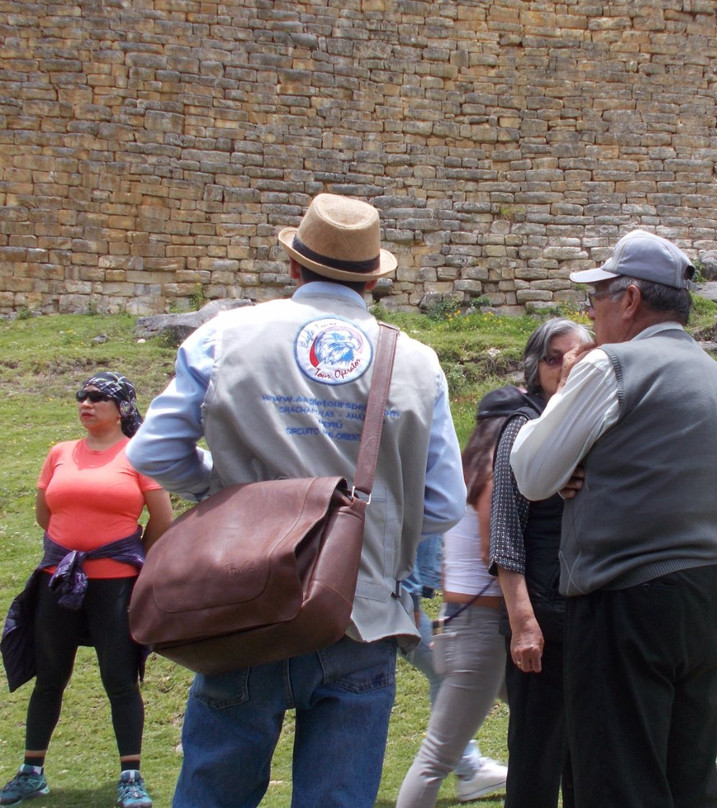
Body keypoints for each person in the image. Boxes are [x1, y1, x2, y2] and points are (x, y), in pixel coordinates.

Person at [126, 193, 466, 808]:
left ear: (293, 267)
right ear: (372, 281)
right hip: (359, 614)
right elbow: (442, 505)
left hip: (245, 602)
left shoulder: (225, 336)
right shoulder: (416, 362)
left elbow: (152, 455)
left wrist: (224, 493)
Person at [510, 230, 717, 808]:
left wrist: (564, 396)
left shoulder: (613, 364)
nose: (590, 313)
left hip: (625, 603)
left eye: (597, 298)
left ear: (630, 299)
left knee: (617, 783)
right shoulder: (713, 373)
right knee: (688, 780)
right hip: (707, 596)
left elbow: (531, 473)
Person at [1, 373, 173, 808]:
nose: (86, 402)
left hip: (114, 584)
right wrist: (72, 551)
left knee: (119, 678)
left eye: (99, 397)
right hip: (58, 579)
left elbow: (162, 520)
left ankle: (131, 777)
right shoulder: (59, 453)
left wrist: (124, 558)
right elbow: (46, 515)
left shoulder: (140, 455)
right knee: (49, 678)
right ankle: (31, 773)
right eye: (82, 395)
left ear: (123, 409)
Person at [395, 386, 524, 808]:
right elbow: (494, 552)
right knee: (436, 757)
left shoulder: (465, 470)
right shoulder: (491, 473)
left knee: (553, 719)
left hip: (470, 624)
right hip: (480, 629)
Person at [489, 318, 590, 808]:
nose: (567, 367)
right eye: (554, 357)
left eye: (578, 356)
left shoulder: (587, 426)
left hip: (586, 612)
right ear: (536, 369)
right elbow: (504, 532)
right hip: (541, 611)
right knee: (535, 750)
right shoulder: (522, 427)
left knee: (584, 753)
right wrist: (523, 623)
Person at [399, 536, 508, 802]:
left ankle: (469, 768)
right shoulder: (486, 492)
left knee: (547, 708)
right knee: (435, 757)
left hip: (457, 611)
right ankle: (469, 769)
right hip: (472, 618)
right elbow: (491, 555)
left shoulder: (466, 493)